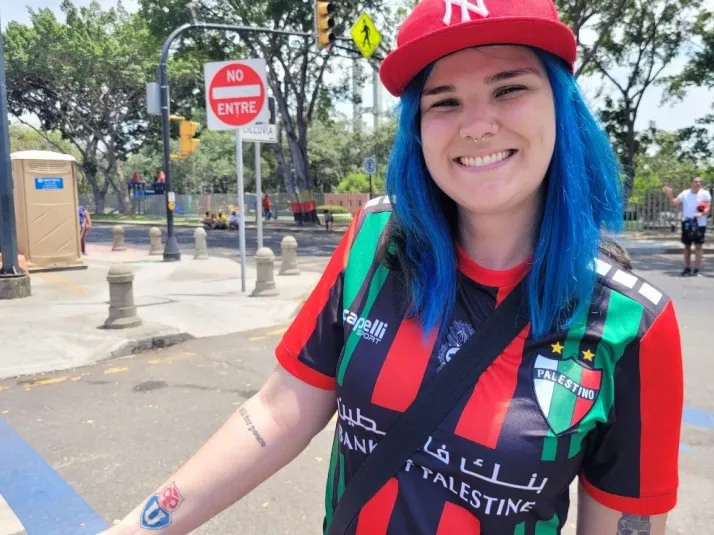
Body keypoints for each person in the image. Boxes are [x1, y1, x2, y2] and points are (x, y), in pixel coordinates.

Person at [99, 0, 684, 534]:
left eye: (509, 89)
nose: (476, 124)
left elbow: (626, 521)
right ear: (417, 131)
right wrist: (139, 527)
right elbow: (277, 413)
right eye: (445, 101)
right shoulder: (376, 244)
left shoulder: (631, 323)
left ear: (561, 106)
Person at [663, 177, 711, 276]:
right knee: (687, 246)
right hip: (687, 223)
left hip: (700, 224)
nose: (698, 183)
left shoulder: (705, 194)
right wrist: (670, 195)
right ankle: (687, 268)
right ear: (691, 183)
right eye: (696, 181)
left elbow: (708, 209)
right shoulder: (685, 193)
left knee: (698, 246)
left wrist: (701, 214)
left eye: (700, 182)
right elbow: (673, 203)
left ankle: (697, 270)